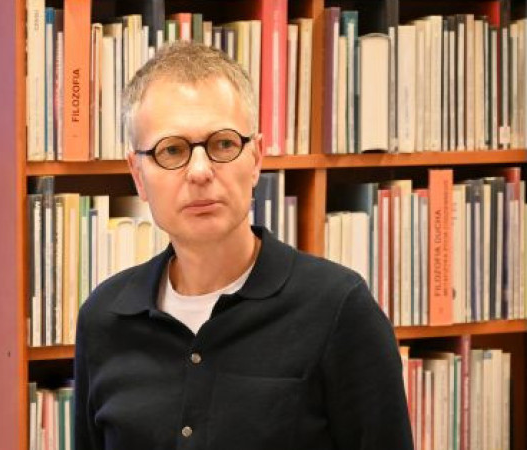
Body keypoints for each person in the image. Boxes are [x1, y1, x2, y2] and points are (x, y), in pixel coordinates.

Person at [74, 41, 413, 450]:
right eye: (172, 150)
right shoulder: (104, 320)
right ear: (137, 175)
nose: (200, 171)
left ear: (256, 159)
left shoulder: (339, 309)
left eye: (222, 144)